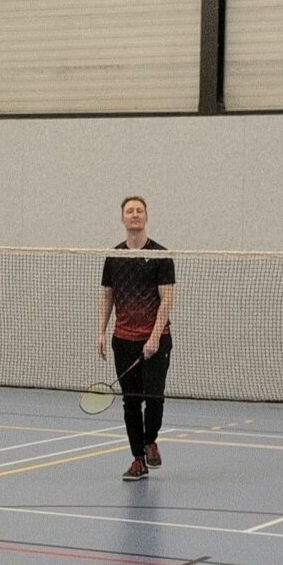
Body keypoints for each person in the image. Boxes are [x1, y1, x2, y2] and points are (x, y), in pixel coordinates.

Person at [96, 195, 175, 480]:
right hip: (123, 340)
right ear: (122, 218)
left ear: (146, 216)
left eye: (139, 210)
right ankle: (138, 459)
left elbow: (167, 300)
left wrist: (154, 337)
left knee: (153, 398)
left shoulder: (161, 255)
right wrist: (101, 331)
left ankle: (150, 439)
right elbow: (107, 296)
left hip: (156, 339)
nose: (134, 214)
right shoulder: (114, 256)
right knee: (131, 402)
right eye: (129, 211)